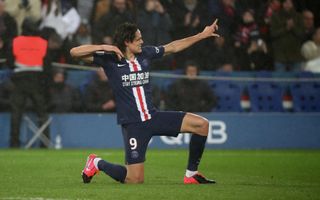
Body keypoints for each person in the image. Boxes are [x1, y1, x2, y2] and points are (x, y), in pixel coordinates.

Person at [70, 20, 220, 184]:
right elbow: (74, 52)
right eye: (138, 39)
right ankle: (97, 163)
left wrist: (202, 35)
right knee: (134, 179)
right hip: (134, 125)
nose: (142, 41)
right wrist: (105, 47)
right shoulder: (109, 59)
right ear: (127, 42)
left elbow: (173, 47)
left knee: (202, 125)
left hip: (153, 117)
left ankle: (191, 174)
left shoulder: (145, 54)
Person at [9, 18, 51, 148]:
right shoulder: (43, 43)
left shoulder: (15, 41)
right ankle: (45, 143)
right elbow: (47, 67)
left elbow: (10, 63)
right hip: (36, 81)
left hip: (20, 80)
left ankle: (14, 143)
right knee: (42, 113)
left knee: (16, 113)